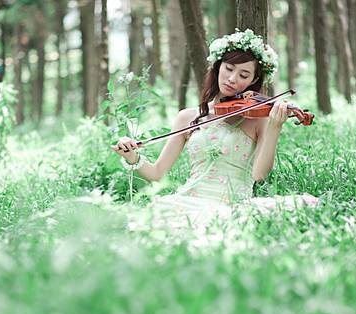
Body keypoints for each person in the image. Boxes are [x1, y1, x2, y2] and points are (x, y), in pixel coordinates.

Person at [111, 29, 319, 230]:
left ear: (253, 80)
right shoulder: (187, 117)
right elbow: (157, 173)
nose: (232, 79)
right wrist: (133, 157)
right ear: (218, 67)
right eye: (229, 69)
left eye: (243, 74)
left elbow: (259, 175)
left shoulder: (258, 120)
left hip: (232, 204)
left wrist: (274, 127)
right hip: (189, 200)